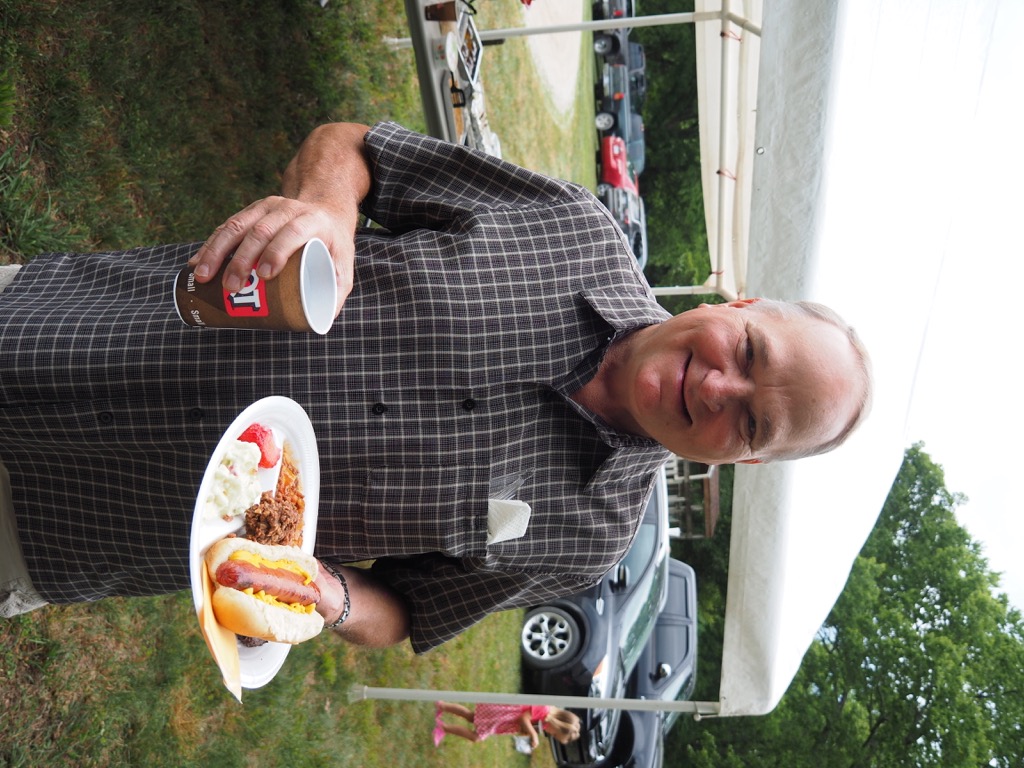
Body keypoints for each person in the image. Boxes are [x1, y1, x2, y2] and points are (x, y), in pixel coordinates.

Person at [0, 121, 872, 652]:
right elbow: (354, 150)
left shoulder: (590, 541)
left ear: (746, 464)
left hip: (74, 528)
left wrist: (331, 600)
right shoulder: (572, 226)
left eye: (751, 422)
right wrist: (327, 213)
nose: (718, 385)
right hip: (69, 329)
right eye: (749, 350)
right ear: (742, 301)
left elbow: (408, 613)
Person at [432, 700, 580, 748]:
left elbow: (524, 725)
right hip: (503, 716)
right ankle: (442, 727)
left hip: (505, 721)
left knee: (471, 717)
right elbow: (524, 718)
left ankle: (442, 706)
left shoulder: (545, 723)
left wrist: (527, 734)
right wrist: (533, 735)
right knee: (476, 736)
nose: (551, 734)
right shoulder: (544, 710)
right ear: (558, 723)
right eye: (555, 733)